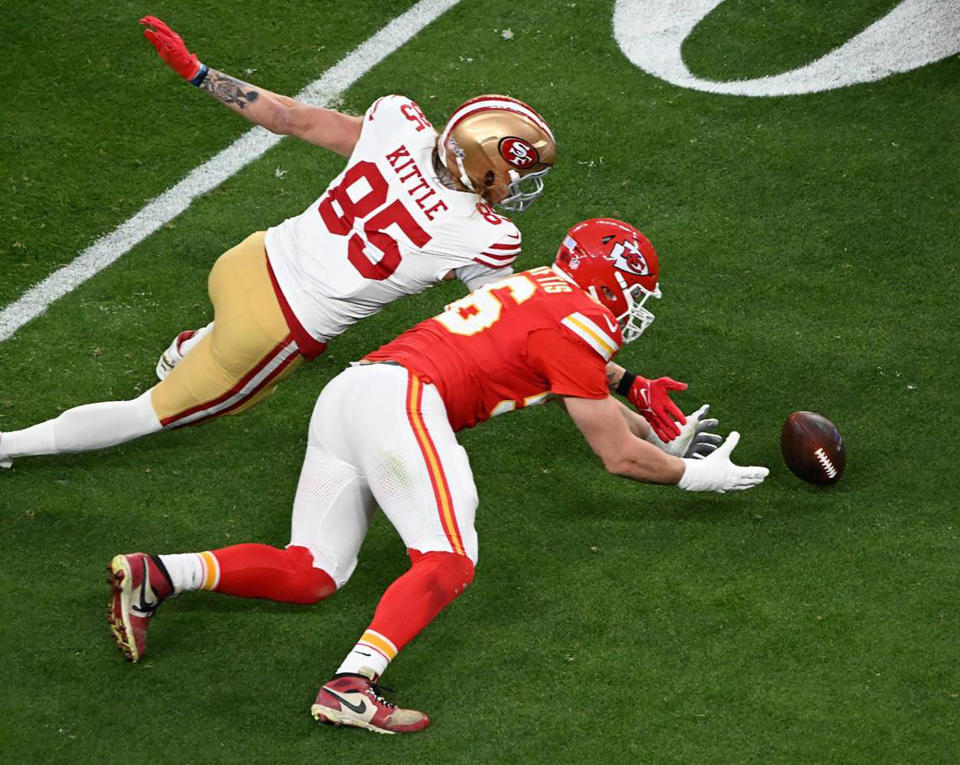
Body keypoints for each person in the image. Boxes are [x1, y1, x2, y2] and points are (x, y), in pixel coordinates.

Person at [107, 218, 768, 734]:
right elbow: (615, 454)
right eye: (634, 289)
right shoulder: (584, 320)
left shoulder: (543, 284)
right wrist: (693, 475)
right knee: (450, 557)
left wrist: (664, 434)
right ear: (612, 282)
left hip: (351, 393)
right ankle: (352, 684)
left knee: (312, 569)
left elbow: (590, 394)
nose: (636, 304)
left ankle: (161, 573)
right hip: (405, 402)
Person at [0, 15, 560, 467]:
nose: (517, 185)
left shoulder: (400, 123)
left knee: (215, 352)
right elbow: (499, 322)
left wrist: (200, 73)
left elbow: (291, 118)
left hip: (248, 260)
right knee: (147, 413)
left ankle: (190, 348)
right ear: (479, 163)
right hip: (274, 329)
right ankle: (9, 445)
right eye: (514, 171)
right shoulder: (485, 235)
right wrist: (586, 371)